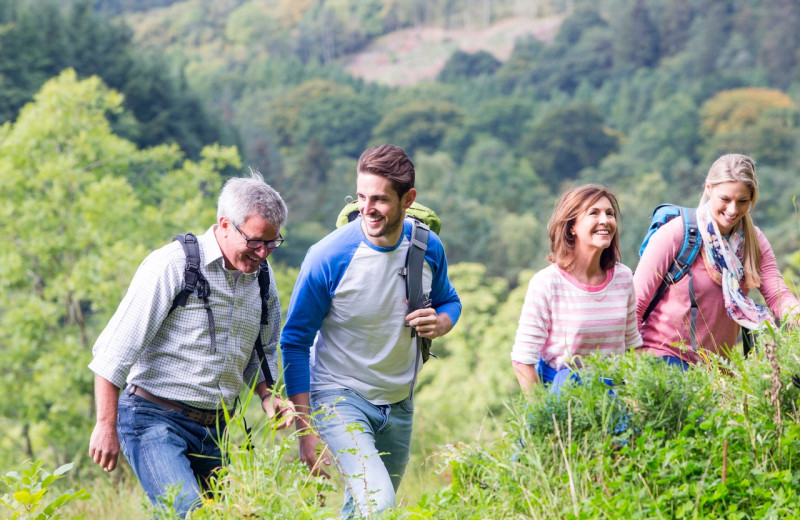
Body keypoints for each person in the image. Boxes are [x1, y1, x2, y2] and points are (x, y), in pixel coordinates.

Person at [88, 170, 296, 517]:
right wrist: (105, 425)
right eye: (256, 241)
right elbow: (115, 350)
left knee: (239, 514)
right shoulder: (173, 264)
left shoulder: (261, 277)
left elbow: (260, 348)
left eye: (272, 243)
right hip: (153, 418)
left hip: (215, 428)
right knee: (188, 512)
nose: (263, 253)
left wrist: (268, 396)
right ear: (225, 224)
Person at [280, 144, 461, 518]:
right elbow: (294, 341)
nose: (366, 208)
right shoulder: (328, 257)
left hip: (399, 400)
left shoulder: (428, 247)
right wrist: (305, 429)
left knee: (365, 509)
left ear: (408, 199)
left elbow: (450, 300)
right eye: (361, 196)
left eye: (379, 199)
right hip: (338, 395)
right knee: (379, 504)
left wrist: (441, 322)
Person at [634, 154, 799, 368]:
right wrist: (635, 362)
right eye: (725, 199)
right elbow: (636, 302)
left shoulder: (753, 241)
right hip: (663, 357)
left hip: (718, 369)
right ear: (709, 189)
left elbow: (778, 295)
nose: (732, 210)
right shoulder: (676, 234)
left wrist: (795, 314)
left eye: (742, 202)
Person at [512, 184, 642, 395]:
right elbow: (523, 360)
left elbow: (632, 346)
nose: (605, 220)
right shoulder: (547, 283)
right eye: (594, 213)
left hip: (614, 396)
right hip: (563, 397)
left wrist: (636, 400)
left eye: (610, 214)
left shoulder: (624, 277)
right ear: (571, 226)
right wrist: (542, 416)